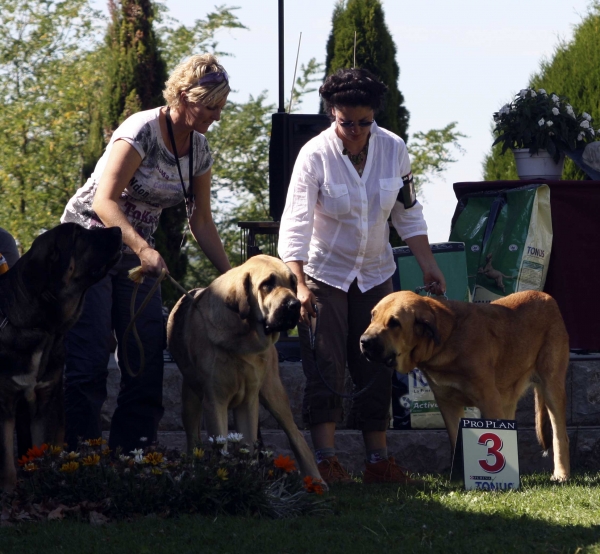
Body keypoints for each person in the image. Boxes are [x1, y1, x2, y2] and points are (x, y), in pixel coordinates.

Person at [278, 68, 446, 485]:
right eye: (344, 122)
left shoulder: (395, 149)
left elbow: (409, 212)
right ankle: (326, 461)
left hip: (376, 275)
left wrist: (428, 264)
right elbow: (295, 223)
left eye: (363, 123)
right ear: (332, 114)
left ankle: (378, 461)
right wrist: (299, 284)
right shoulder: (314, 155)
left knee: (379, 363)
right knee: (327, 364)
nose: (353, 131)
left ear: (375, 117)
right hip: (323, 275)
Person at [61, 54, 232, 452]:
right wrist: (143, 248)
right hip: (86, 247)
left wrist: (231, 277)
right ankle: (78, 462)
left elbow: (201, 222)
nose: (216, 117)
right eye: (210, 108)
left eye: (221, 109)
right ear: (184, 99)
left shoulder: (201, 152)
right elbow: (104, 203)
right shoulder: (140, 131)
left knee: (145, 361)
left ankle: (133, 458)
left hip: (135, 258)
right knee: (87, 363)